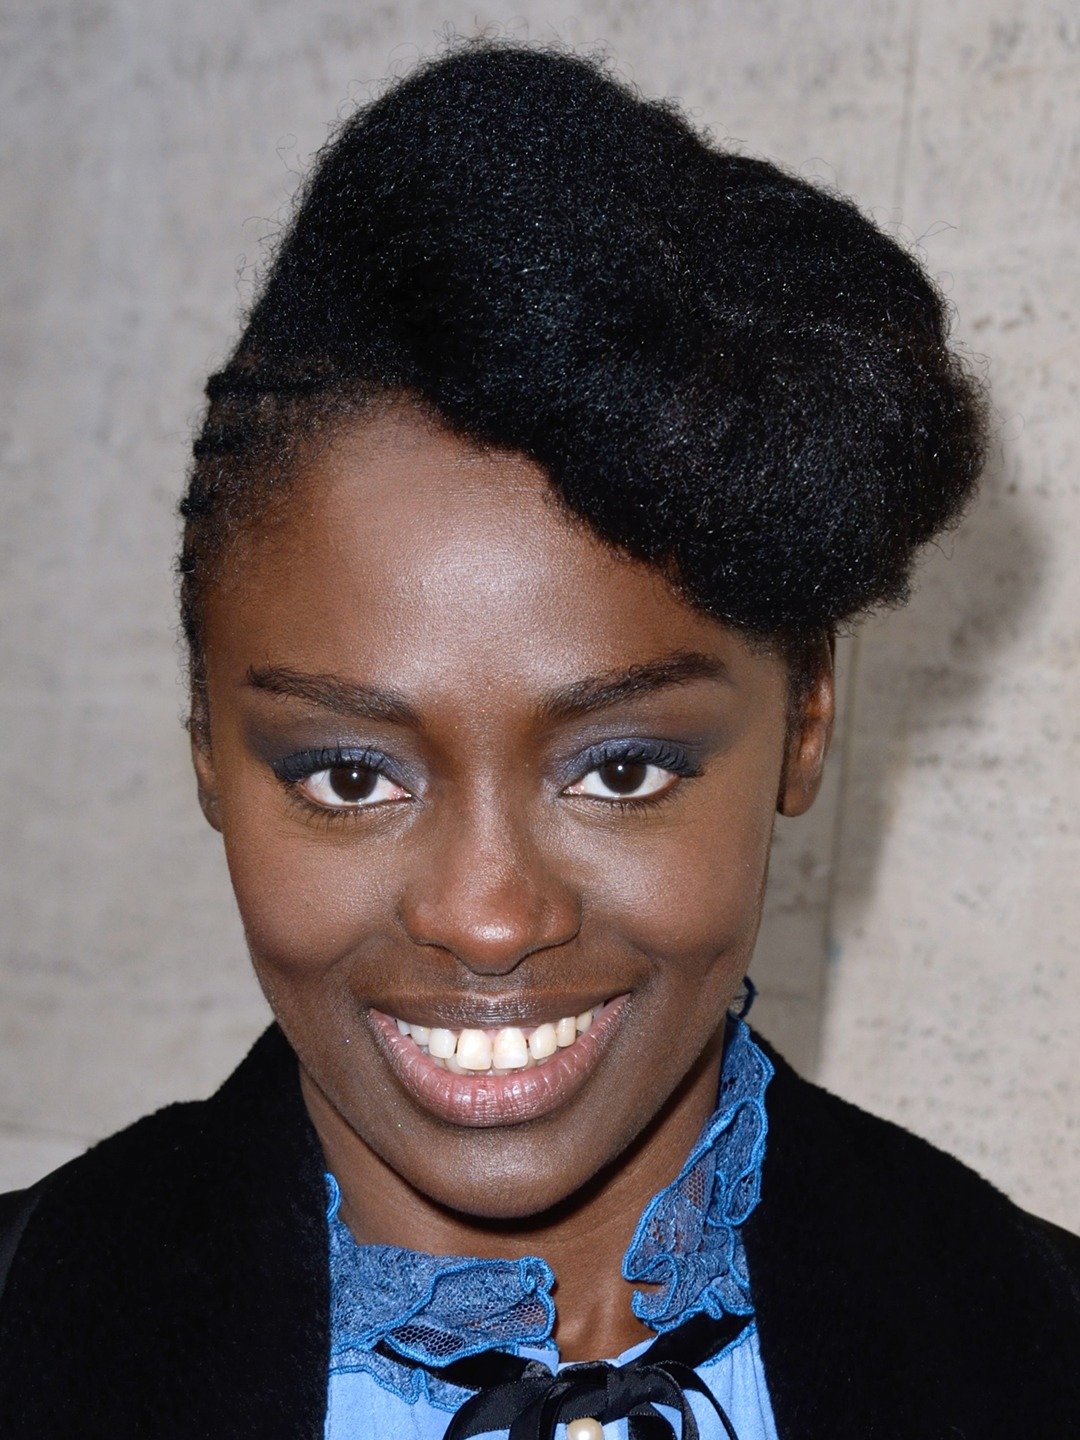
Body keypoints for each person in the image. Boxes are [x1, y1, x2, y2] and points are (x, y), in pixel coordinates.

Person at [0, 37, 1077, 1440]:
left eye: (622, 769)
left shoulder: (1036, 1345)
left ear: (807, 715)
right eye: (351, 774)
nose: (489, 918)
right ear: (208, 741)